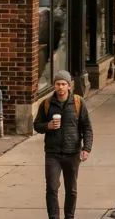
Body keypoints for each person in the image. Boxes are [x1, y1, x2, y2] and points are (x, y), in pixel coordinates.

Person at [34, 70, 92, 219]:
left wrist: (86, 148)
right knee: (52, 188)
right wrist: (48, 126)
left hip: (72, 152)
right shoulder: (46, 104)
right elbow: (37, 125)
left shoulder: (78, 103)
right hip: (53, 153)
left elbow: (87, 127)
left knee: (71, 189)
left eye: (63, 84)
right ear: (54, 85)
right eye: (58, 84)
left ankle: (69, 216)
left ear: (69, 86)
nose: (60, 87)